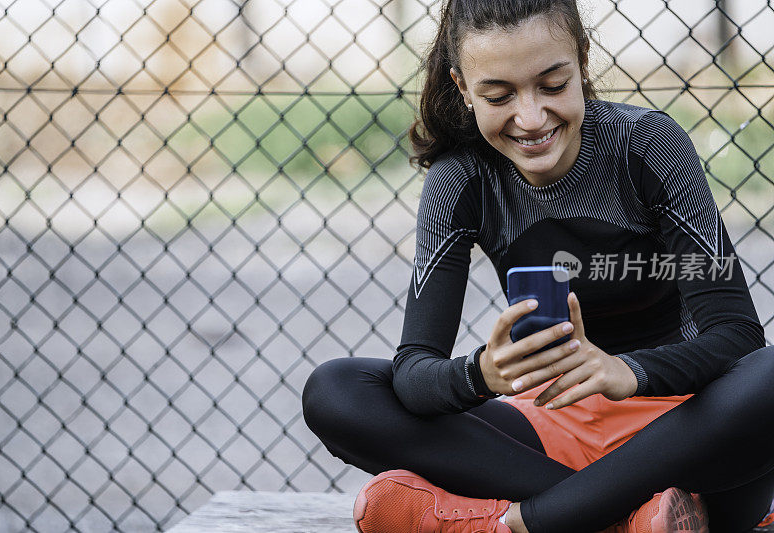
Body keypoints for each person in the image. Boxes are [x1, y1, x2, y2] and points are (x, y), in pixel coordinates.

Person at [301, 0, 774, 531]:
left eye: (552, 85)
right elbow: (414, 372)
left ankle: (524, 521)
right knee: (337, 390)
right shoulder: (462, 181)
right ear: (462, 88)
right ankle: (621, 519)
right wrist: (480, 374)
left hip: (684, 429)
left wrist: (629, 371)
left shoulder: (647, 144)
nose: (530, 118)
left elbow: (736, 337)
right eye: (498, 96)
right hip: (549, 433)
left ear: (583, 62)